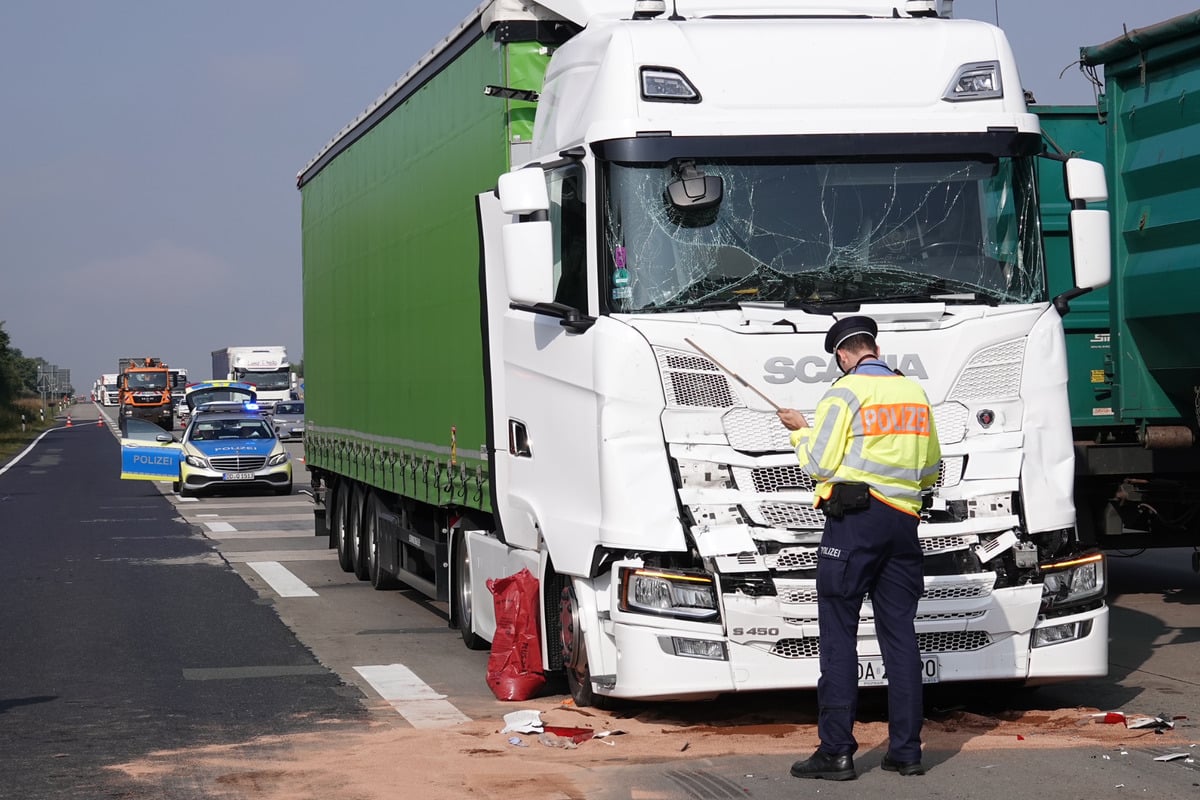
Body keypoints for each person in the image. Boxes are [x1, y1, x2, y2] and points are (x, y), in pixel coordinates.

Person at [776, 315, 941, 781]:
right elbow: (931, 466)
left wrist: (798, 429)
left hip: (855, 525)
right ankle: (907, 752)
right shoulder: (914, 392)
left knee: (839, 634)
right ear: (875, 348)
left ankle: (836, 752)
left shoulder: (843, 393)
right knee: (900, 637)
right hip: (904, 524)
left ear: (842, 356)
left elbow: (819, 462)